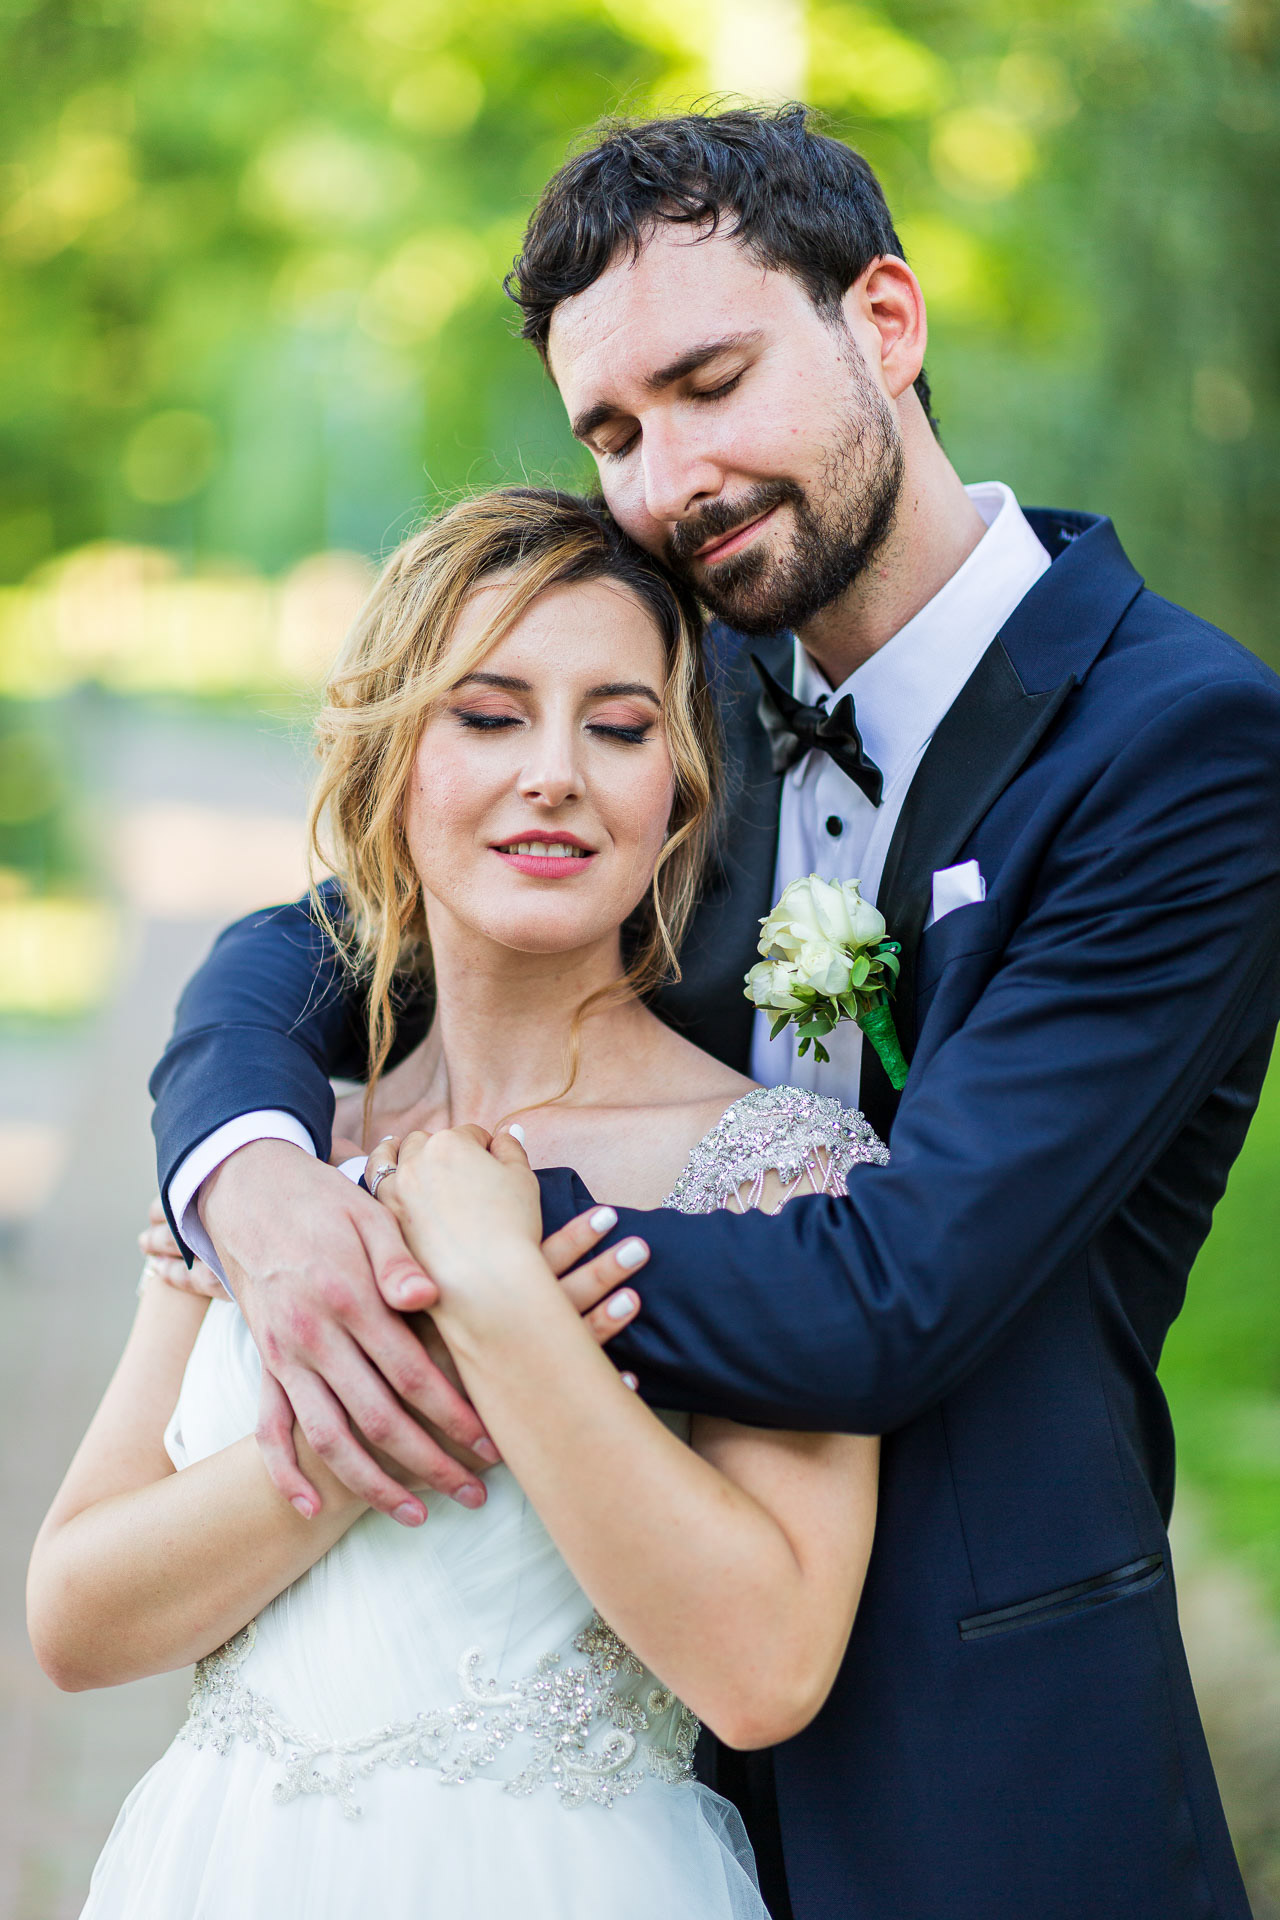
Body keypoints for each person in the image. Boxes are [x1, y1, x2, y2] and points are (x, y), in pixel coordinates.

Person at [146, 108, 1280, 1920]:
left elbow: (902, 1289)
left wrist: (454, 1249)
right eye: (612, 430)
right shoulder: (664, 697)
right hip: (594, 1742)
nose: (668, 476)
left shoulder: (1180, 749)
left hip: (971, 1750)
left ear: (885, 322)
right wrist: (254, 1172)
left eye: (709, 381)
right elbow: (323, 938)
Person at [29, 488, 887, 1918]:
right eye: (489, 717)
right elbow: (76, 1619)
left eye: (618, 729)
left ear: (678, 792)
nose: (554, 775)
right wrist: (399, 1371)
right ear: (390, 764)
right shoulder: (279, 1175)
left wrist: (502, 1304)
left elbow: (765, 1669)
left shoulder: (776, 1166)